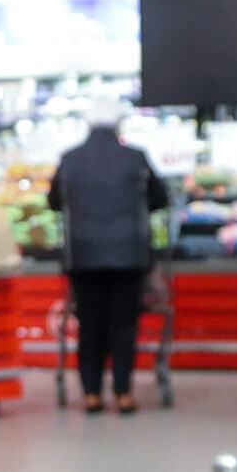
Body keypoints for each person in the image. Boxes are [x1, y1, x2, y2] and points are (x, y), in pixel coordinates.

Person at [48, 101, 170, 415]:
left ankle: (91, 393)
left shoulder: (70, 159)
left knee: (89, 323)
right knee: (124, 324)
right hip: (129, 256)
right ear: (118, 127)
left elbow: (53, 202)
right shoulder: (135, 158)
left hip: (83, 256)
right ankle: (123, 392)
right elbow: (160, 198)